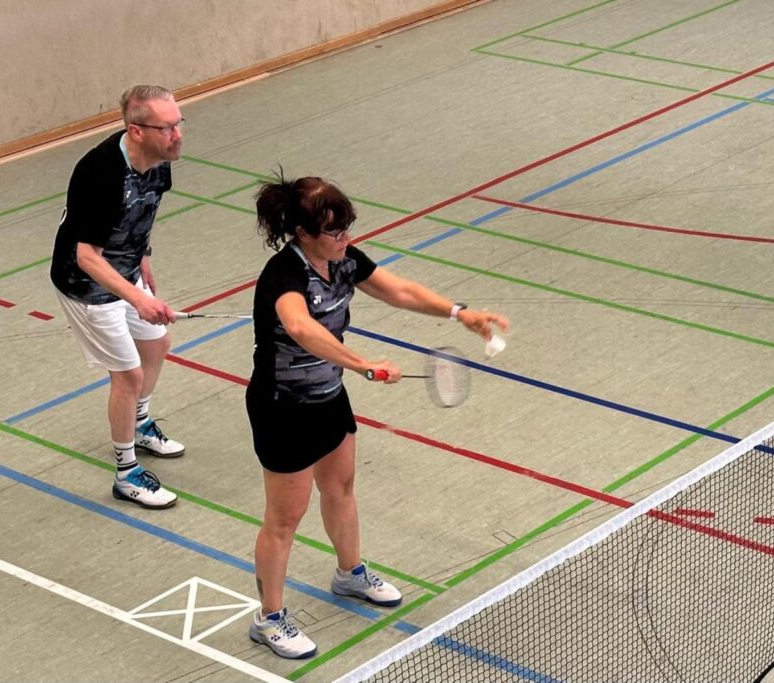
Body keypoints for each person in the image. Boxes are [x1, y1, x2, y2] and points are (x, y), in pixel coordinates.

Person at [245, 174, 509, 658]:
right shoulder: (285, 274)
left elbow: (399, 291)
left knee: (341, 487)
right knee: (285, 518)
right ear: (303, 234)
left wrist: (459, 313)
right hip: (282, 405)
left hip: (328, 395)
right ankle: (269, 618)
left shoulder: (344, 261)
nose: (346, 238)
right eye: (334, 230)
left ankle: (349, 574)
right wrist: (364, 365)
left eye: (347, 227)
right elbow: (302, 328)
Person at [50, 85, 187, 510]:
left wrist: (143, 254)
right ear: (136, 130)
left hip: (126, 270)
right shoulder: (100, 173)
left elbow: (142, 212)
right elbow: (86, 256)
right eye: (166, 128)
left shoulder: (160, 163)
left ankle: (140, 423)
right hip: (87, 285)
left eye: (179, 123)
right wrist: (139, 299)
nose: (177, 135)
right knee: (126, 375)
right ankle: (126, 474)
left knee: (156, 343)